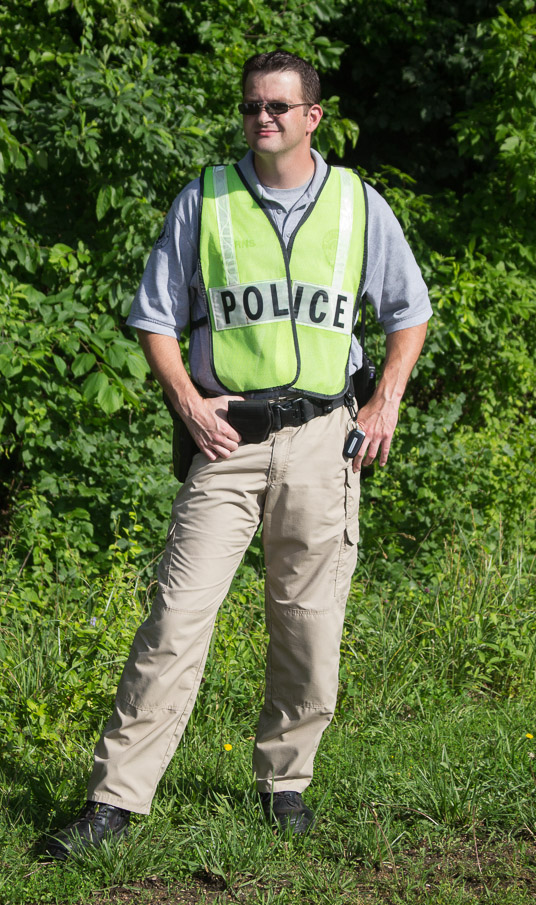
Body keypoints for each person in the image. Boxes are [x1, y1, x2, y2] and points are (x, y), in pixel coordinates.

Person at [47, 50, 432, 859]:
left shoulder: (357, 205)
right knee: (175, 619)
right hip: (226, 440)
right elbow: (154, 317)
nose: (263, 118)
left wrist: (386, 399)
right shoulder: (207, 200)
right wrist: (187, 404)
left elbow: (409, 310)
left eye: (279, 107)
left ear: (312, 116)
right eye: (253, 105)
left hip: (323, 439)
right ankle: (114, 800)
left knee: (309, 626)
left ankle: (285, 781)